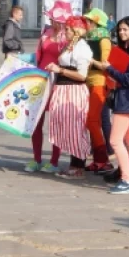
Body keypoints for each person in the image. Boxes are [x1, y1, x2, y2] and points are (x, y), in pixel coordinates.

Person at [101, 17, 129, 195]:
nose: (121, 33)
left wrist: (110, 69)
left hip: (127, 101)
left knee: (115, 140)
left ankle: (127, 177)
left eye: (125, 30)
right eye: (120, 30)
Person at [45, 16, 93, 179]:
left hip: (74, 90)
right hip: (63, 89)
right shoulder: (70, 46)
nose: (65, 31)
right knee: (65, 127)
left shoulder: (83, 48)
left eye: (68, 29)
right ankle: (74, 164)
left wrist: (61, 71)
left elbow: (81, 75)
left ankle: (79, 165)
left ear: (76, 31)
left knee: (76, 128)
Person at [24, 1, 69, 173]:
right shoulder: (45, 33)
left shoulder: (68, 37)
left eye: (58, 19)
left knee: (55, 123)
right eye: (53, 18)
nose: (55, 22)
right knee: (36, 122)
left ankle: (55, 160)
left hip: (58, 82)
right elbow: (38, 55)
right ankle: (36, 158)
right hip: (40, 80)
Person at [83, 8, 113, 173]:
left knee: (92, 121)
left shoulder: (104, 40)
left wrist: (89, 60)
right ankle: (97, 159)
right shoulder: (89, 38)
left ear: (96, 23)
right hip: (88, 82)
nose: (86, 24)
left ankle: (103, 159)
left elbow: (105, 65)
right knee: (92, 122)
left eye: (88, 21)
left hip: (99, 82)